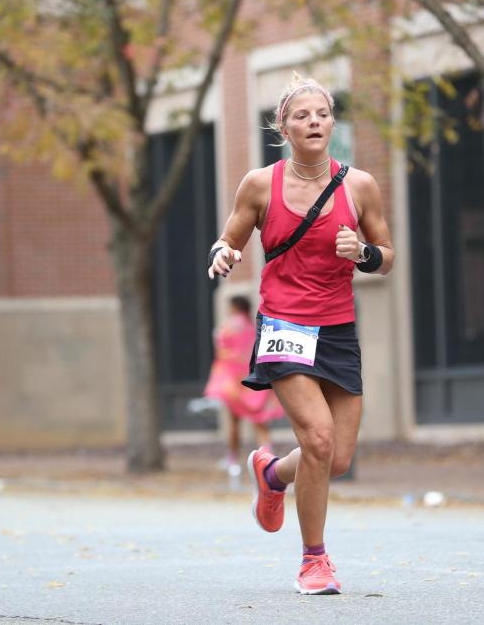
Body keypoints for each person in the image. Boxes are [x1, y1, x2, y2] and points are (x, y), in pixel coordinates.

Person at [207, 74, 394, 595]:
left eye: (322, 114)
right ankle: (315, 561)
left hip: (337, 328)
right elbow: (229, 238)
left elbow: (387, 256)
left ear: (333, 123)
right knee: (316, 437)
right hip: (284, 324)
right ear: (283, 127)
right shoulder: (260, 184)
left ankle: (271, 475)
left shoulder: (359, 186)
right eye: (301, 116)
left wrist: (364, 254)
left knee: (334, 459)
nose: (313, 122)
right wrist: (223, 254)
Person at [202, 295, 284, 471]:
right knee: (260, 422)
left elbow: (222, 353)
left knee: (234, 421)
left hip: (235, 384)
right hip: (256, 381)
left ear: (234, 307)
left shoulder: (227, 327)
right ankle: (268, 458)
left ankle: (232, 460)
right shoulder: (255, 326)